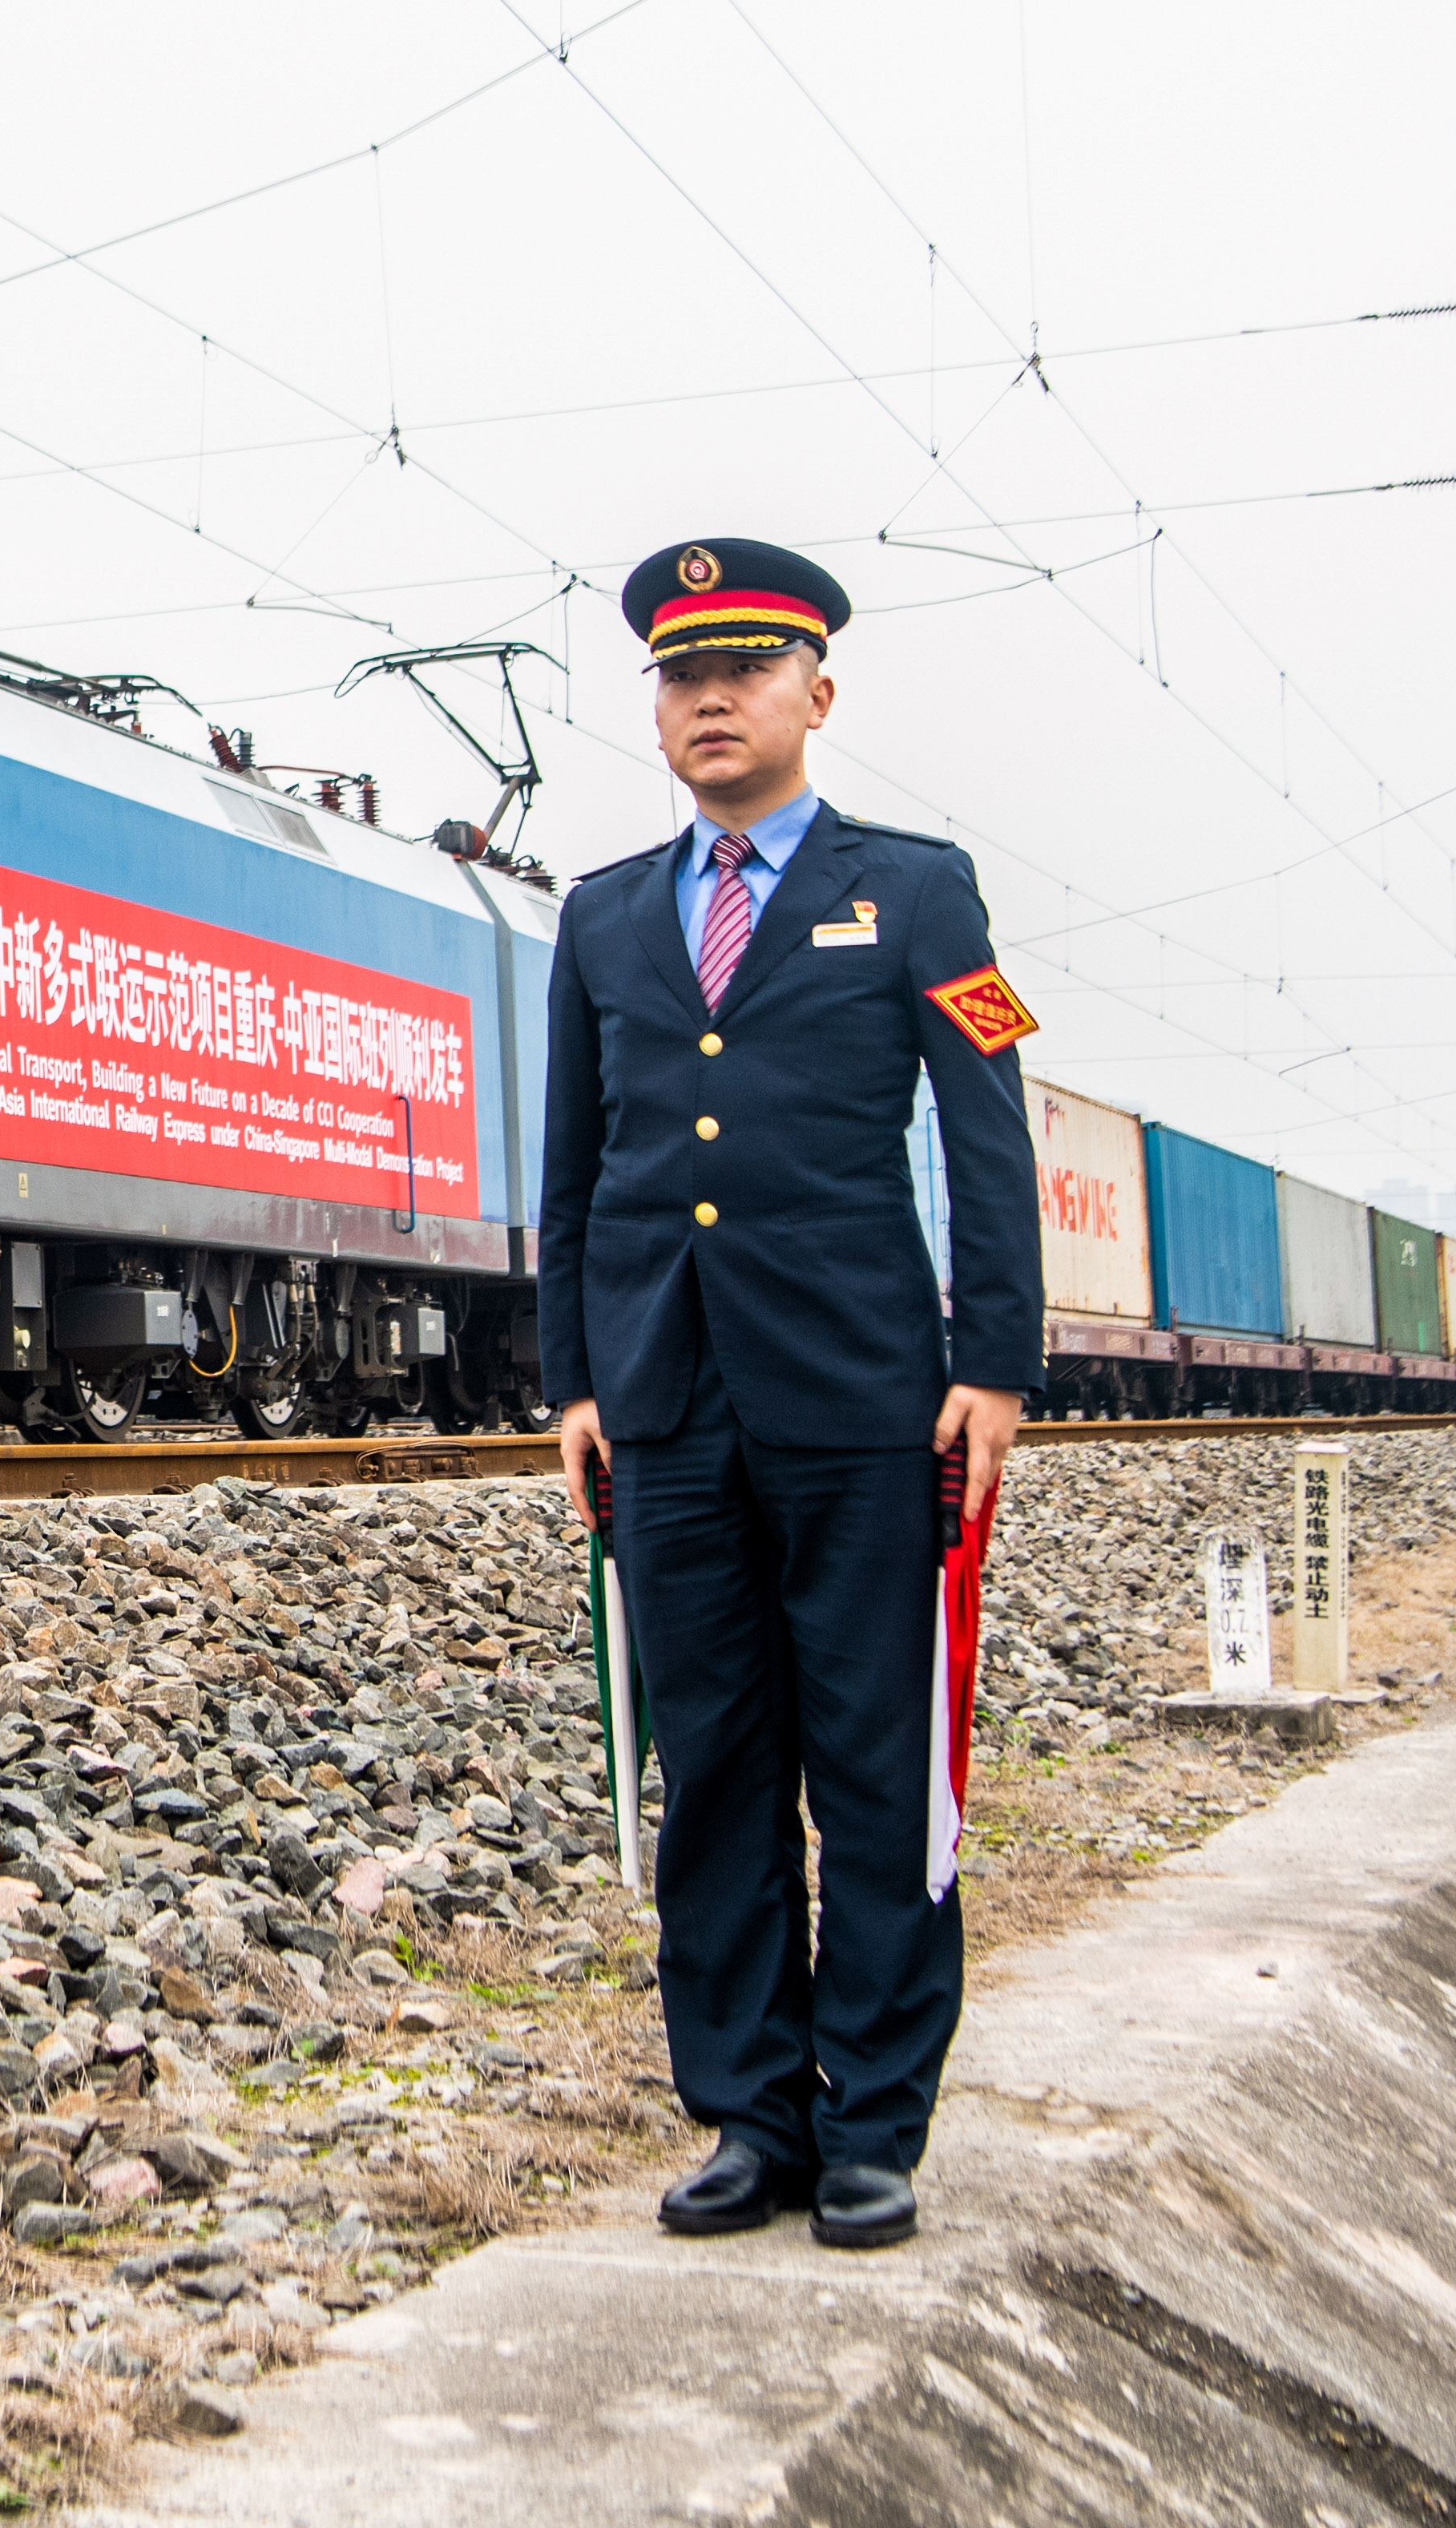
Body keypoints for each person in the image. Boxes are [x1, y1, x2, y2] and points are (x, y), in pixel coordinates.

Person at [538, 537, 1043, 2250]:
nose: (712, 700)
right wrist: (574, 1376)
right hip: (670, 1407)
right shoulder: (603, 911)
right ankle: (751, 2109)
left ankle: (876, 2116)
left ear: (816, 692)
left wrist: (996, 1362)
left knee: (878, 1768)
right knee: (721, 1765)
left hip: (863, 1399)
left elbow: (988, 1131)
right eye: (683, 677)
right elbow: (578, 1164)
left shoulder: (921, 888)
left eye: (746, 671)